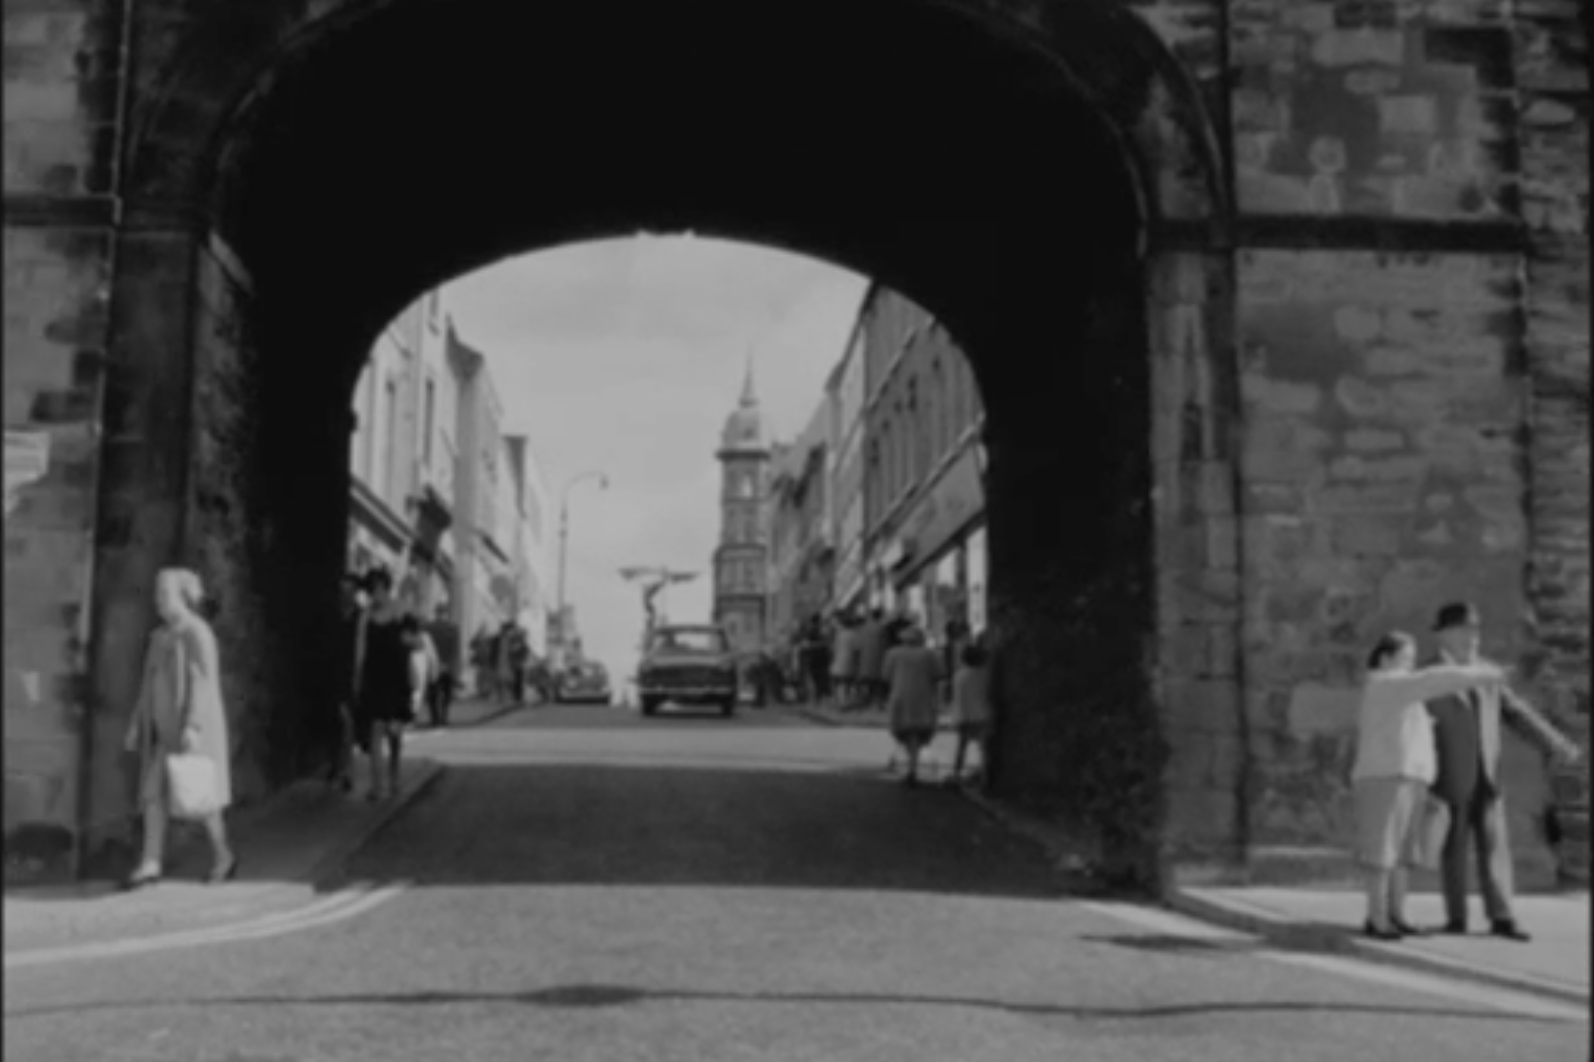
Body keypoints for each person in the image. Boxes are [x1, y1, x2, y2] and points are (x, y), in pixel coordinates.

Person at [1425, 601, 1582, 941]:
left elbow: (1517, 713)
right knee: (1452, 847)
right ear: (1445, 635)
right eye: (1465, 631)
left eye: (1476, 631)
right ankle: (1456, 917)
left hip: (1487, 773)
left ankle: (1502, 916)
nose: (1473, 638)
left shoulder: (1487, 674)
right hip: (1448, 773)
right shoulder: (1429, 676)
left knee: (1495, 845)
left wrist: (1555, 744)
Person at [1350, 630, 1506, 940]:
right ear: (1385, 659)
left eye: (1411, 659)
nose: (1410, 665)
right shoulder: (1386, 684)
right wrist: (1484, 673)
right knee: (1383, 852)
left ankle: (1398, 914)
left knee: (1403, 853)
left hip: (1409, 778)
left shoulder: (1403, 692)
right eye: (1404, 658)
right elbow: (1433, 679)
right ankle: (1377, 917)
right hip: (1385, 776)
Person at [122, 568, 237, 888]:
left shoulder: (197, 633)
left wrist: (194, 725)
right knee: (152, 796)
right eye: (157, 593)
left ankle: (223, 856)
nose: (157, 600)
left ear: (182, 597)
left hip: (189, 732)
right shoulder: (159, 637)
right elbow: (148, 684)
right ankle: (151, 861)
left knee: (202, 801)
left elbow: (202, 680)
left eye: (164, 594)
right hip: (163, 733)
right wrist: (136, 723)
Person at [353, 568, 415, 801]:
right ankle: (377, 786)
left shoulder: (401, 610)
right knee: (375, 731)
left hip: (396, 678)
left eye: (378, 589)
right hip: (374, 679)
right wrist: (357, 680)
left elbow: (415, 641)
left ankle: (395, 776)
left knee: (394, 733)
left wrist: (408, 643)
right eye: (371, 590)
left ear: (386, 587)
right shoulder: (365, 618)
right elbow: (360, 651)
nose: (374, 594)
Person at [882, 624, 943, 787]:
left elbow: (886, 676)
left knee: (904, 730)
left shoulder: (892, 653)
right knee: (917, 730)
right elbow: (938, 675)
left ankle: (910, 765)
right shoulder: (929, 654)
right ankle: (911, 765)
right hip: (923, 695)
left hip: (900, 695)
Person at [947, 636, 993, 787]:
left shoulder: (959, 675)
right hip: (982, 713)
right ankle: (986, 778)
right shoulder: (985, 674)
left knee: (961, 746)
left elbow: (957, 696)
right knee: (984, 749)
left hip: (964, 715)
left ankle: (956, 772)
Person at [426, 605, 460, 728]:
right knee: (446, 693)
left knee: (433, 693)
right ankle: (444, 716)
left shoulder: (428, 628)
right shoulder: (452, 628)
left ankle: (435, 717)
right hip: (447, 665)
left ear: (436, 613)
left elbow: (426, 648)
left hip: (432, 665)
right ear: (445, 613)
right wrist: (452, 666)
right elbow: (455, 650)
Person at [855, 608, 890, 711]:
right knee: (878, 683)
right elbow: (886, 645)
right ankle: (878, 704)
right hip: (878, 659)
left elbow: (858, 644)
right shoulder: (882, 628)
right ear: (881, 616)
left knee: (868, 682)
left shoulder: (864, 628)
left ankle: (867, 703)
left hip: (865, 659)